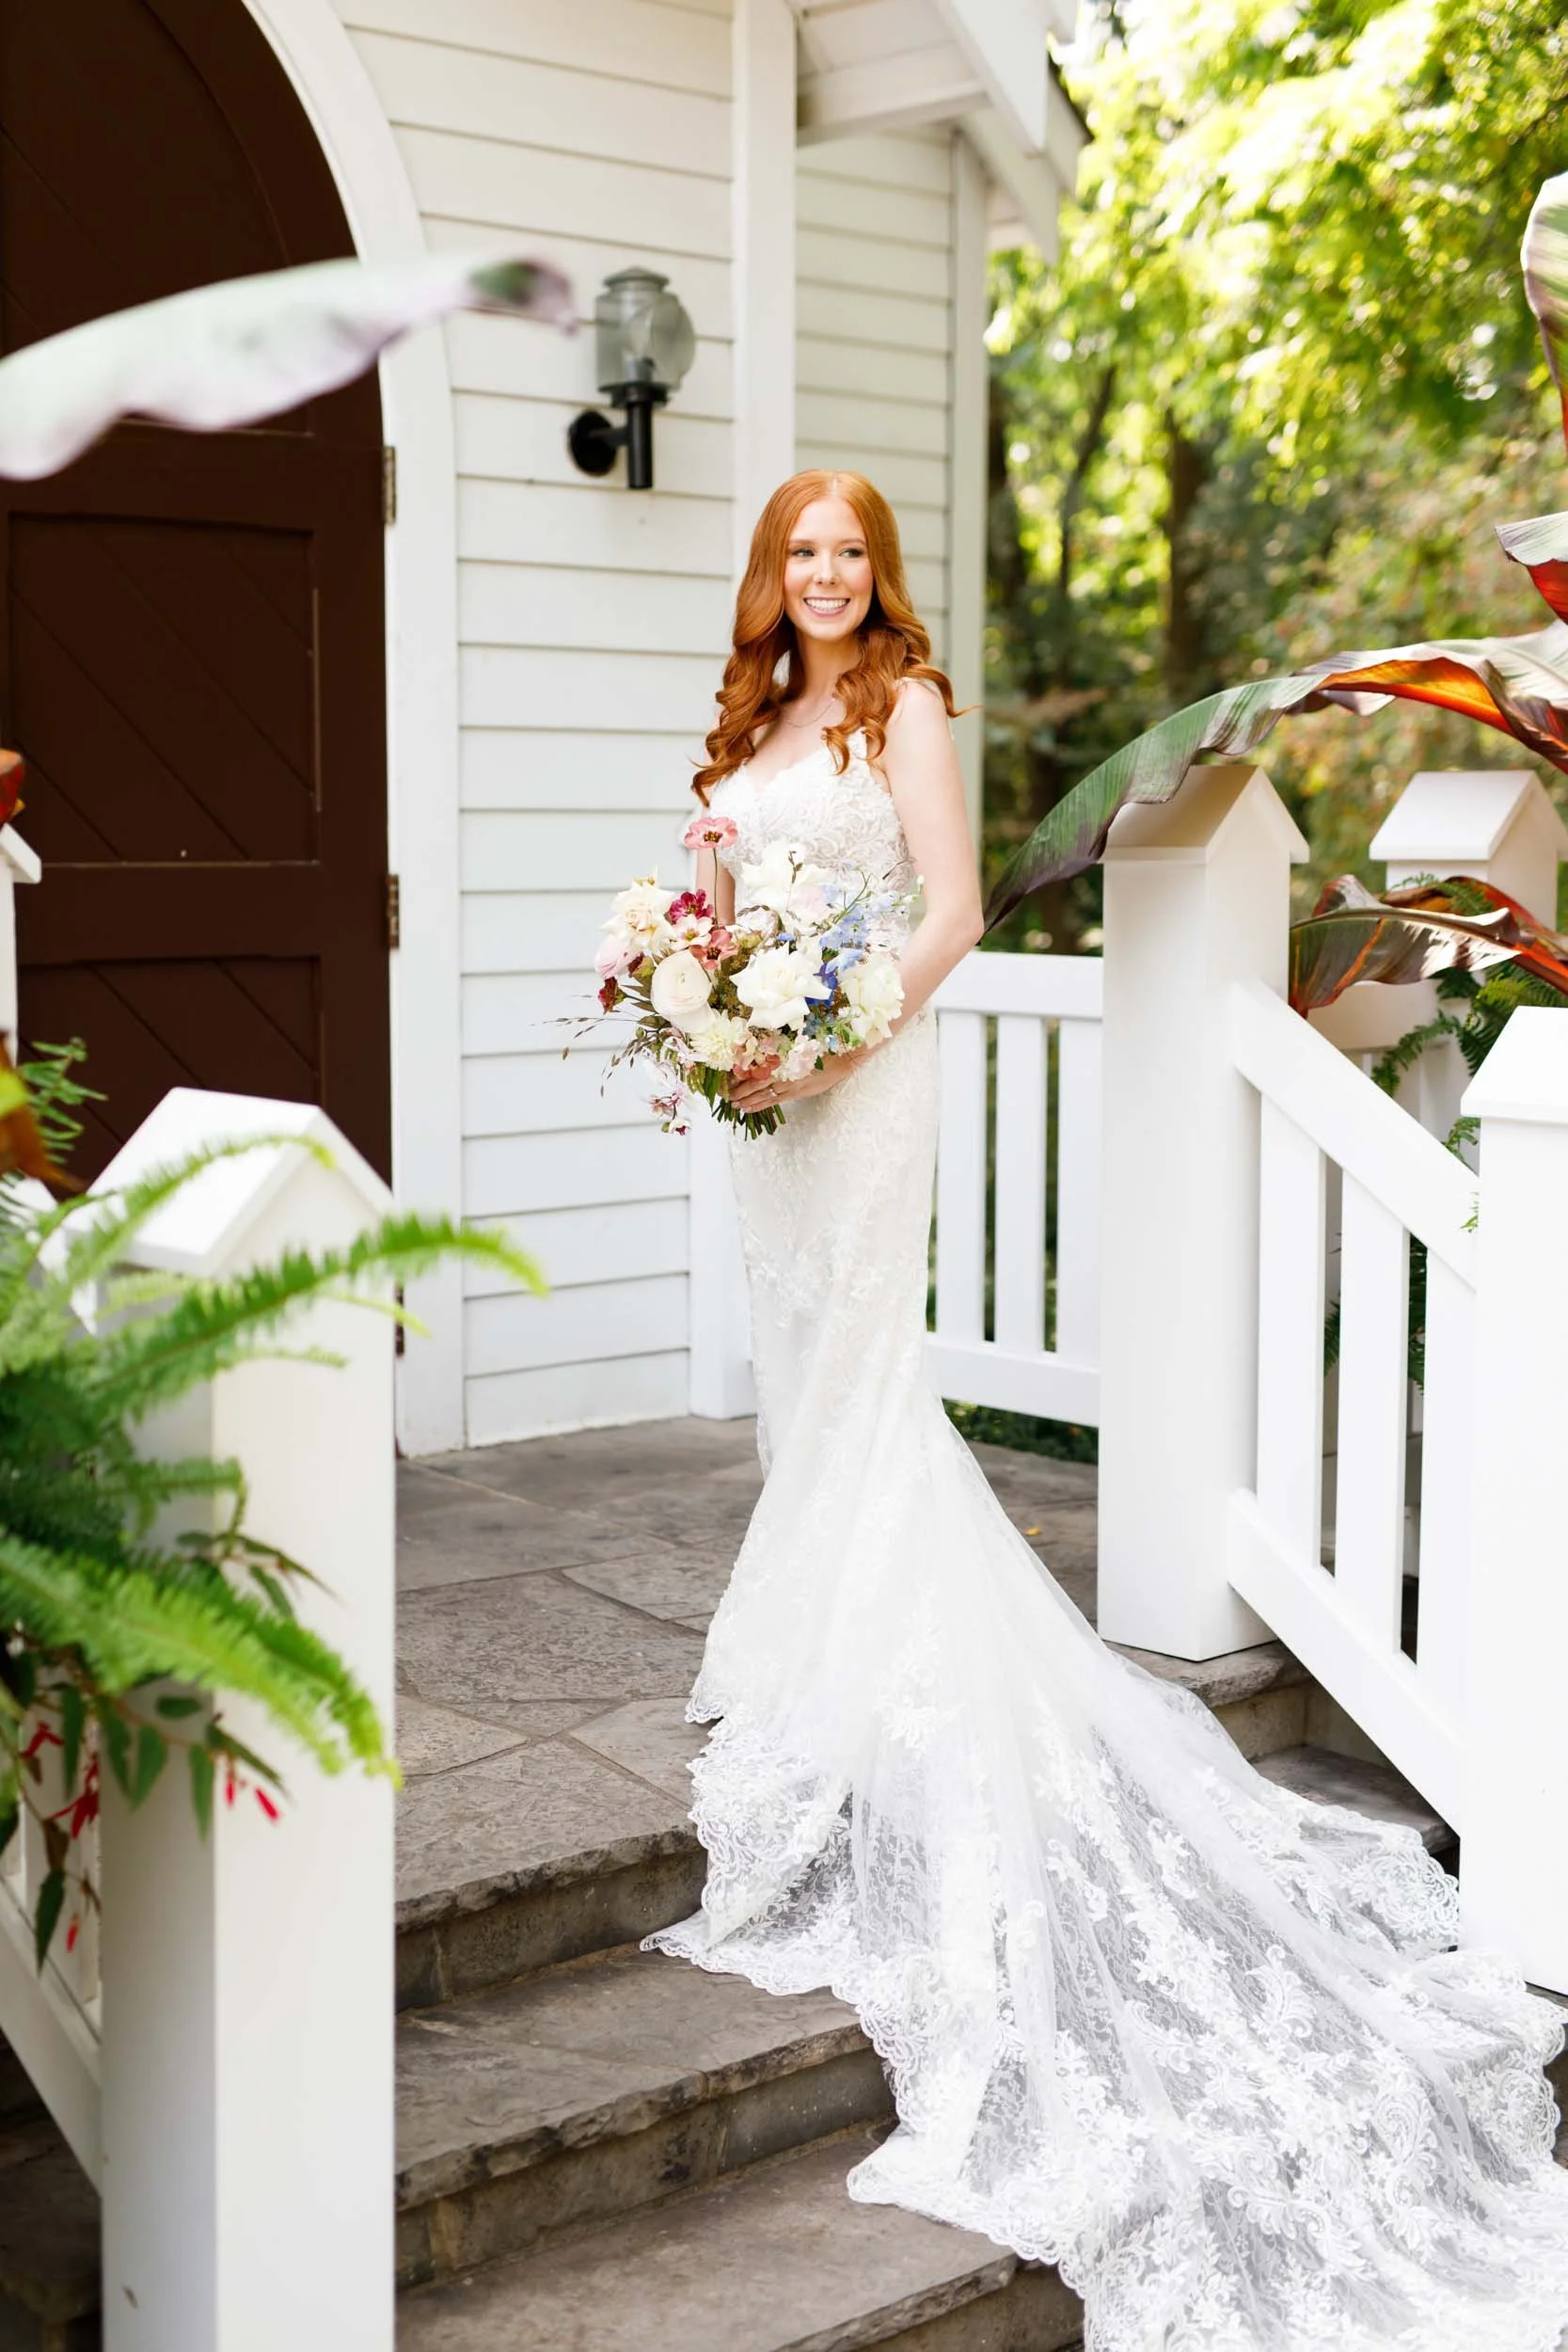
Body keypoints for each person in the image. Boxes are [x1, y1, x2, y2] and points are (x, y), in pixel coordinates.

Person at [648, 469, 1568, 2351]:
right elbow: (714, 897)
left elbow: (955, 905)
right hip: (768, 1107)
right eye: (796, 552)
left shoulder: (906, 703)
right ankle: (801, 1632)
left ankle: (849, 1656)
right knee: (796, 1364)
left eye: (847, 552)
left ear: (873, 574)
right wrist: (706, 1007)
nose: (822, 577)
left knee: (858, 1371)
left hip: (867, 1079)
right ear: (769, 574)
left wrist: (837, 1033)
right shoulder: (750, 714)